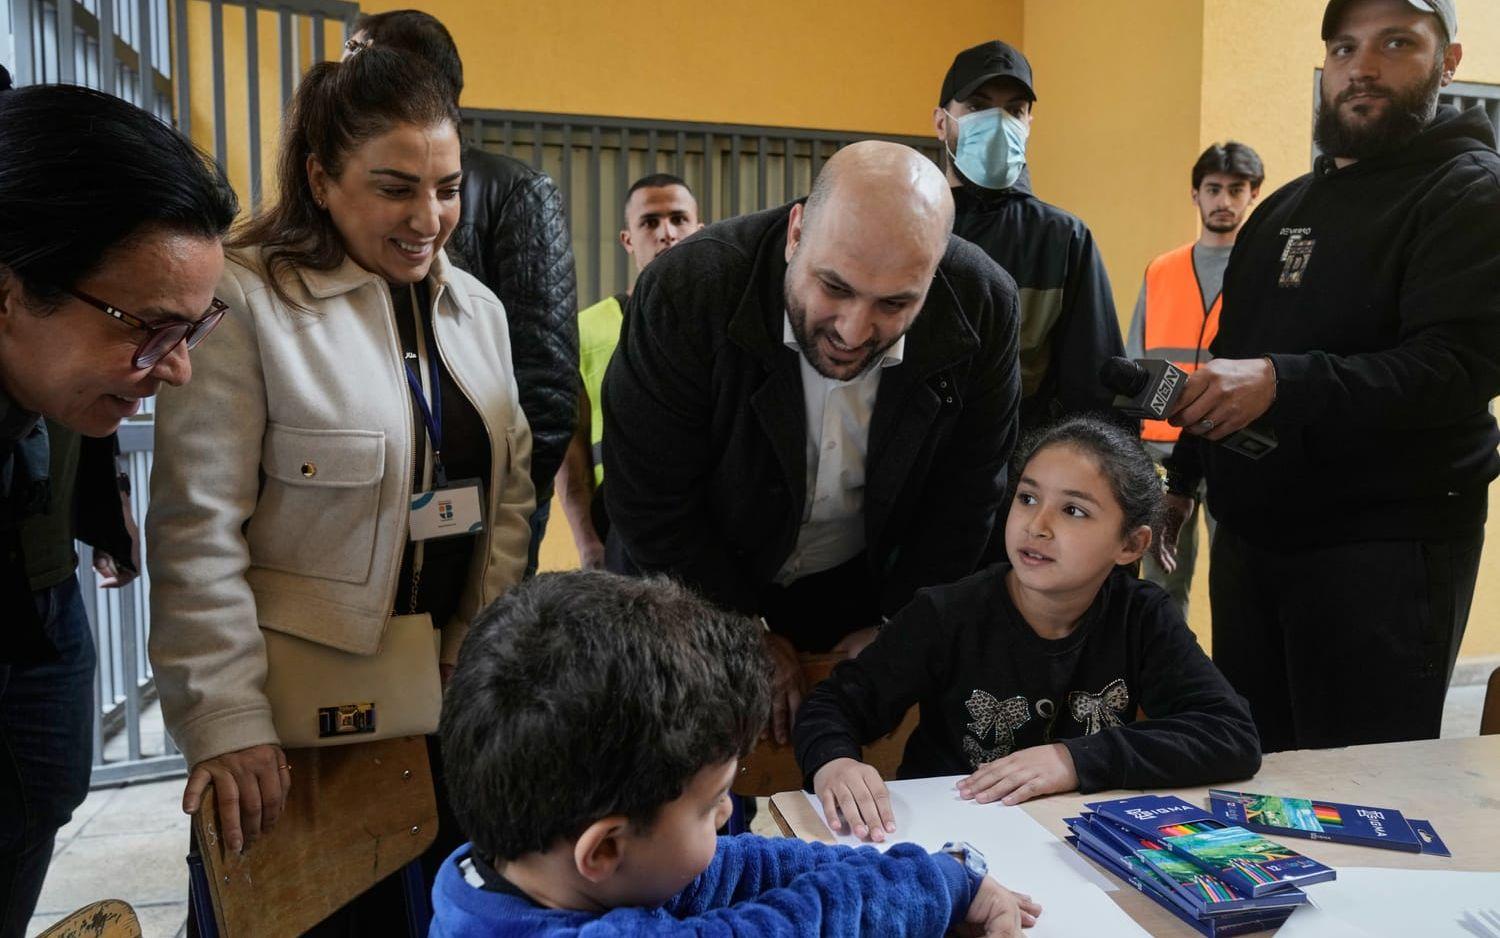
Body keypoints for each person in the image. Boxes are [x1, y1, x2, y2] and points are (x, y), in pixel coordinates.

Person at [146, 49, 535, 931]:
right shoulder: (246, 301)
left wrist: (474, 644)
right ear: (321, 179)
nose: (428, 218)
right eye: (395, 188)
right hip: (295, 727)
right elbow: (196, 530)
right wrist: (225, 718)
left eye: (448, 188)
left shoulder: (479, 312)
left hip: (444, 706)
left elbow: (508, 498)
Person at [1160, 0, 1500, 752]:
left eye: (1396, 43)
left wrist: (1283, 383)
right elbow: (1229, 355)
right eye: (1345, 47)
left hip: (1384, 554)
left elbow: (1453, 369)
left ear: (1449, 62)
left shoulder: (1471, 193)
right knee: (1256, 773)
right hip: (1252, 547)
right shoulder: (1283, 208)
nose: (1362, 67)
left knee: (1359, 790)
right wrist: (1183, 481)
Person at [603, 141, 1022, 744]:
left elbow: (969, 491)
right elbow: (649, 496)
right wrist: (738, 626)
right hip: (685, 573)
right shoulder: (687, 289)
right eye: (834, 287)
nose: (853, 330)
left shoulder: (983, 304)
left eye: (895, 303)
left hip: (851, 581)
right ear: (796, 233)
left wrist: (900, 622)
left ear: (933, 276)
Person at [432, 569, 1043, 937]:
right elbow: (792, 928)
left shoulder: (514, 869)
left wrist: (915, 874)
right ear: (606, 848)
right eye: (711, 806)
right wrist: (941, 883)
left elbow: (726, 870)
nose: (727, 814)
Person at [0, 74, 236, 936]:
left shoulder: (49, 379)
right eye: (148, 328)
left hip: (37, 579)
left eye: (192, 328)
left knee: (41, 790)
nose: (177, 368)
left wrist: (103, 510)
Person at [796, 416, 1260, 843]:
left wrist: (1072, 759)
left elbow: (1230, 734)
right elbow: (833, 706)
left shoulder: (1142, 616)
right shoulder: (946, 613)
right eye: (1028, 498)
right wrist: (834, 762)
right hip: (949, 838)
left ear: (1131, 544)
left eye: (1073, 510)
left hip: (1076, 844)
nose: (1037, 525)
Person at [347, 10, 578, 578]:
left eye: (358, 55)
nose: (343, 72)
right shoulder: (342, 191)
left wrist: (508, 507)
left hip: (478, 502)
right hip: (362, 505)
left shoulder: (516, 191)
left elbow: (546, 384)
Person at [935, 40, 1126, 437]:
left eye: (1014, 110)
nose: (997, 123)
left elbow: (1093, 388)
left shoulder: (1062, 238)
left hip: (1020, 463)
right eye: (978, 107)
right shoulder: (908, 226)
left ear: (1027, 125)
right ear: (941, 122)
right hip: (913, 465)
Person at [1126, 142, 1264, 618]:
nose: (1223, 200)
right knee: (1161, 585)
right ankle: (1165, 668)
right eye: (1213, 189)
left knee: (1240, 585)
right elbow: (1138, 359)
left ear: (1253, 194)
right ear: (1195, 194)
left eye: (1236, 189)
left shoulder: (1263, 271)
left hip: (1235, 444)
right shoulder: (1161, 271)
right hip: (1162, 452)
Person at [555, 174, 703, 569]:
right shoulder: (586, 329)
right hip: (621, 527)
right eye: (650, 222)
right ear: (628, 240)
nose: (666, 233)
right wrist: (587, 542)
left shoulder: (725, 325)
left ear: (699, 230)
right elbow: (572, 454)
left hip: (709, 524)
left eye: (679, 219)